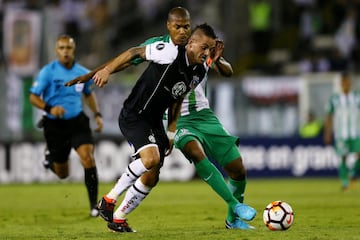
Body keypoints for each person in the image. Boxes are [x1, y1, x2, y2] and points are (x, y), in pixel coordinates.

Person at [65, 7, 256, 231]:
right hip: (135, 115)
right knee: (152, 158)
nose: (182, 31)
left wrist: (171, 131)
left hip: (158, 119)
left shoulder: (198, 68)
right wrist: (101, 72)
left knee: (153, 174)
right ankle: (108, 200)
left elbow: (178, 95)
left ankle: (118, 218)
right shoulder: (164, 49)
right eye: (178, 27)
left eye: (186, 26)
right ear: (170, 27)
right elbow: (132, 54)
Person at [29, 35, 103, 217]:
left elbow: (88, 93)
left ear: (73, 49)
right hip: (54, 125)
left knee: (88, 158)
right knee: (63, 174)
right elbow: (33, 97)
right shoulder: (48, 72)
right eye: (61, 48)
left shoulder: (81, 71)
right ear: (57, 50)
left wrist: (97, 114)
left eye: (68, 48)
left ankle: (94, 205)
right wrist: (49, 108)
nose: (65, 52)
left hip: (77, 121)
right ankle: (50, 157)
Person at [324, 72, 360, 191]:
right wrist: (327, 132)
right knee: (343, 157)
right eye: (343, 82)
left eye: (347, 82)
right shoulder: (335, 99)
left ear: (350, 83)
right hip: (341, 134)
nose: (345, 84)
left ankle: (353, 173)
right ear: (341, 84)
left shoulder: (357, 97)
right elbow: (329, 116)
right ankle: (345, 183)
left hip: (356, 132)